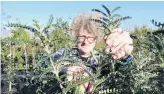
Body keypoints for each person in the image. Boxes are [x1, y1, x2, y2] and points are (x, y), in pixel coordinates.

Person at [52, 12, 133, 93]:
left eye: (90, 37)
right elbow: (48, 63)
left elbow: (123, 72)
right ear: (76, 35)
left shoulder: (102, 60)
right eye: (82, 36)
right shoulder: (64, 53)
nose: (86, 41)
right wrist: (65, 71)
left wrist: (125, 56)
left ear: (96, 39)